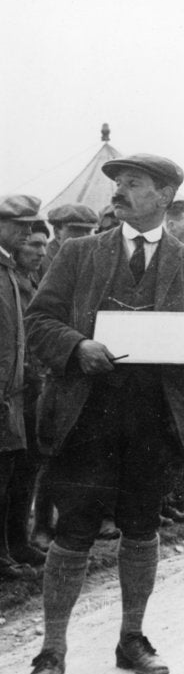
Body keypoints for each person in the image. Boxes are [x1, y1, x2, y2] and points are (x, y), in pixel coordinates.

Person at [25, 154, 184, 674]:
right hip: (87, 417)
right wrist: (78, 345)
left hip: (153, 419)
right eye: (116, 184)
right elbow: (38, 322)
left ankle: (131, 638)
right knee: (74, 530)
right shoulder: (78, 253)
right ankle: (52, 650)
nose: (119, 192)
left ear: (164, 195)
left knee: (142, 527)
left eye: (132, 184)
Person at [0, 196, 41, 583]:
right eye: (19, 225)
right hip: (3, 392)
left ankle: (13, 546)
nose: (27, 232)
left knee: (13, 473)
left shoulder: (10, 269)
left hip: (13, 392)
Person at [41, 203, 98, 277]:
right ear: (57, 232)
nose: (84, 236)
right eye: (76, 230)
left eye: (88, 230)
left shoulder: (90, 258)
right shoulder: (42, 259)